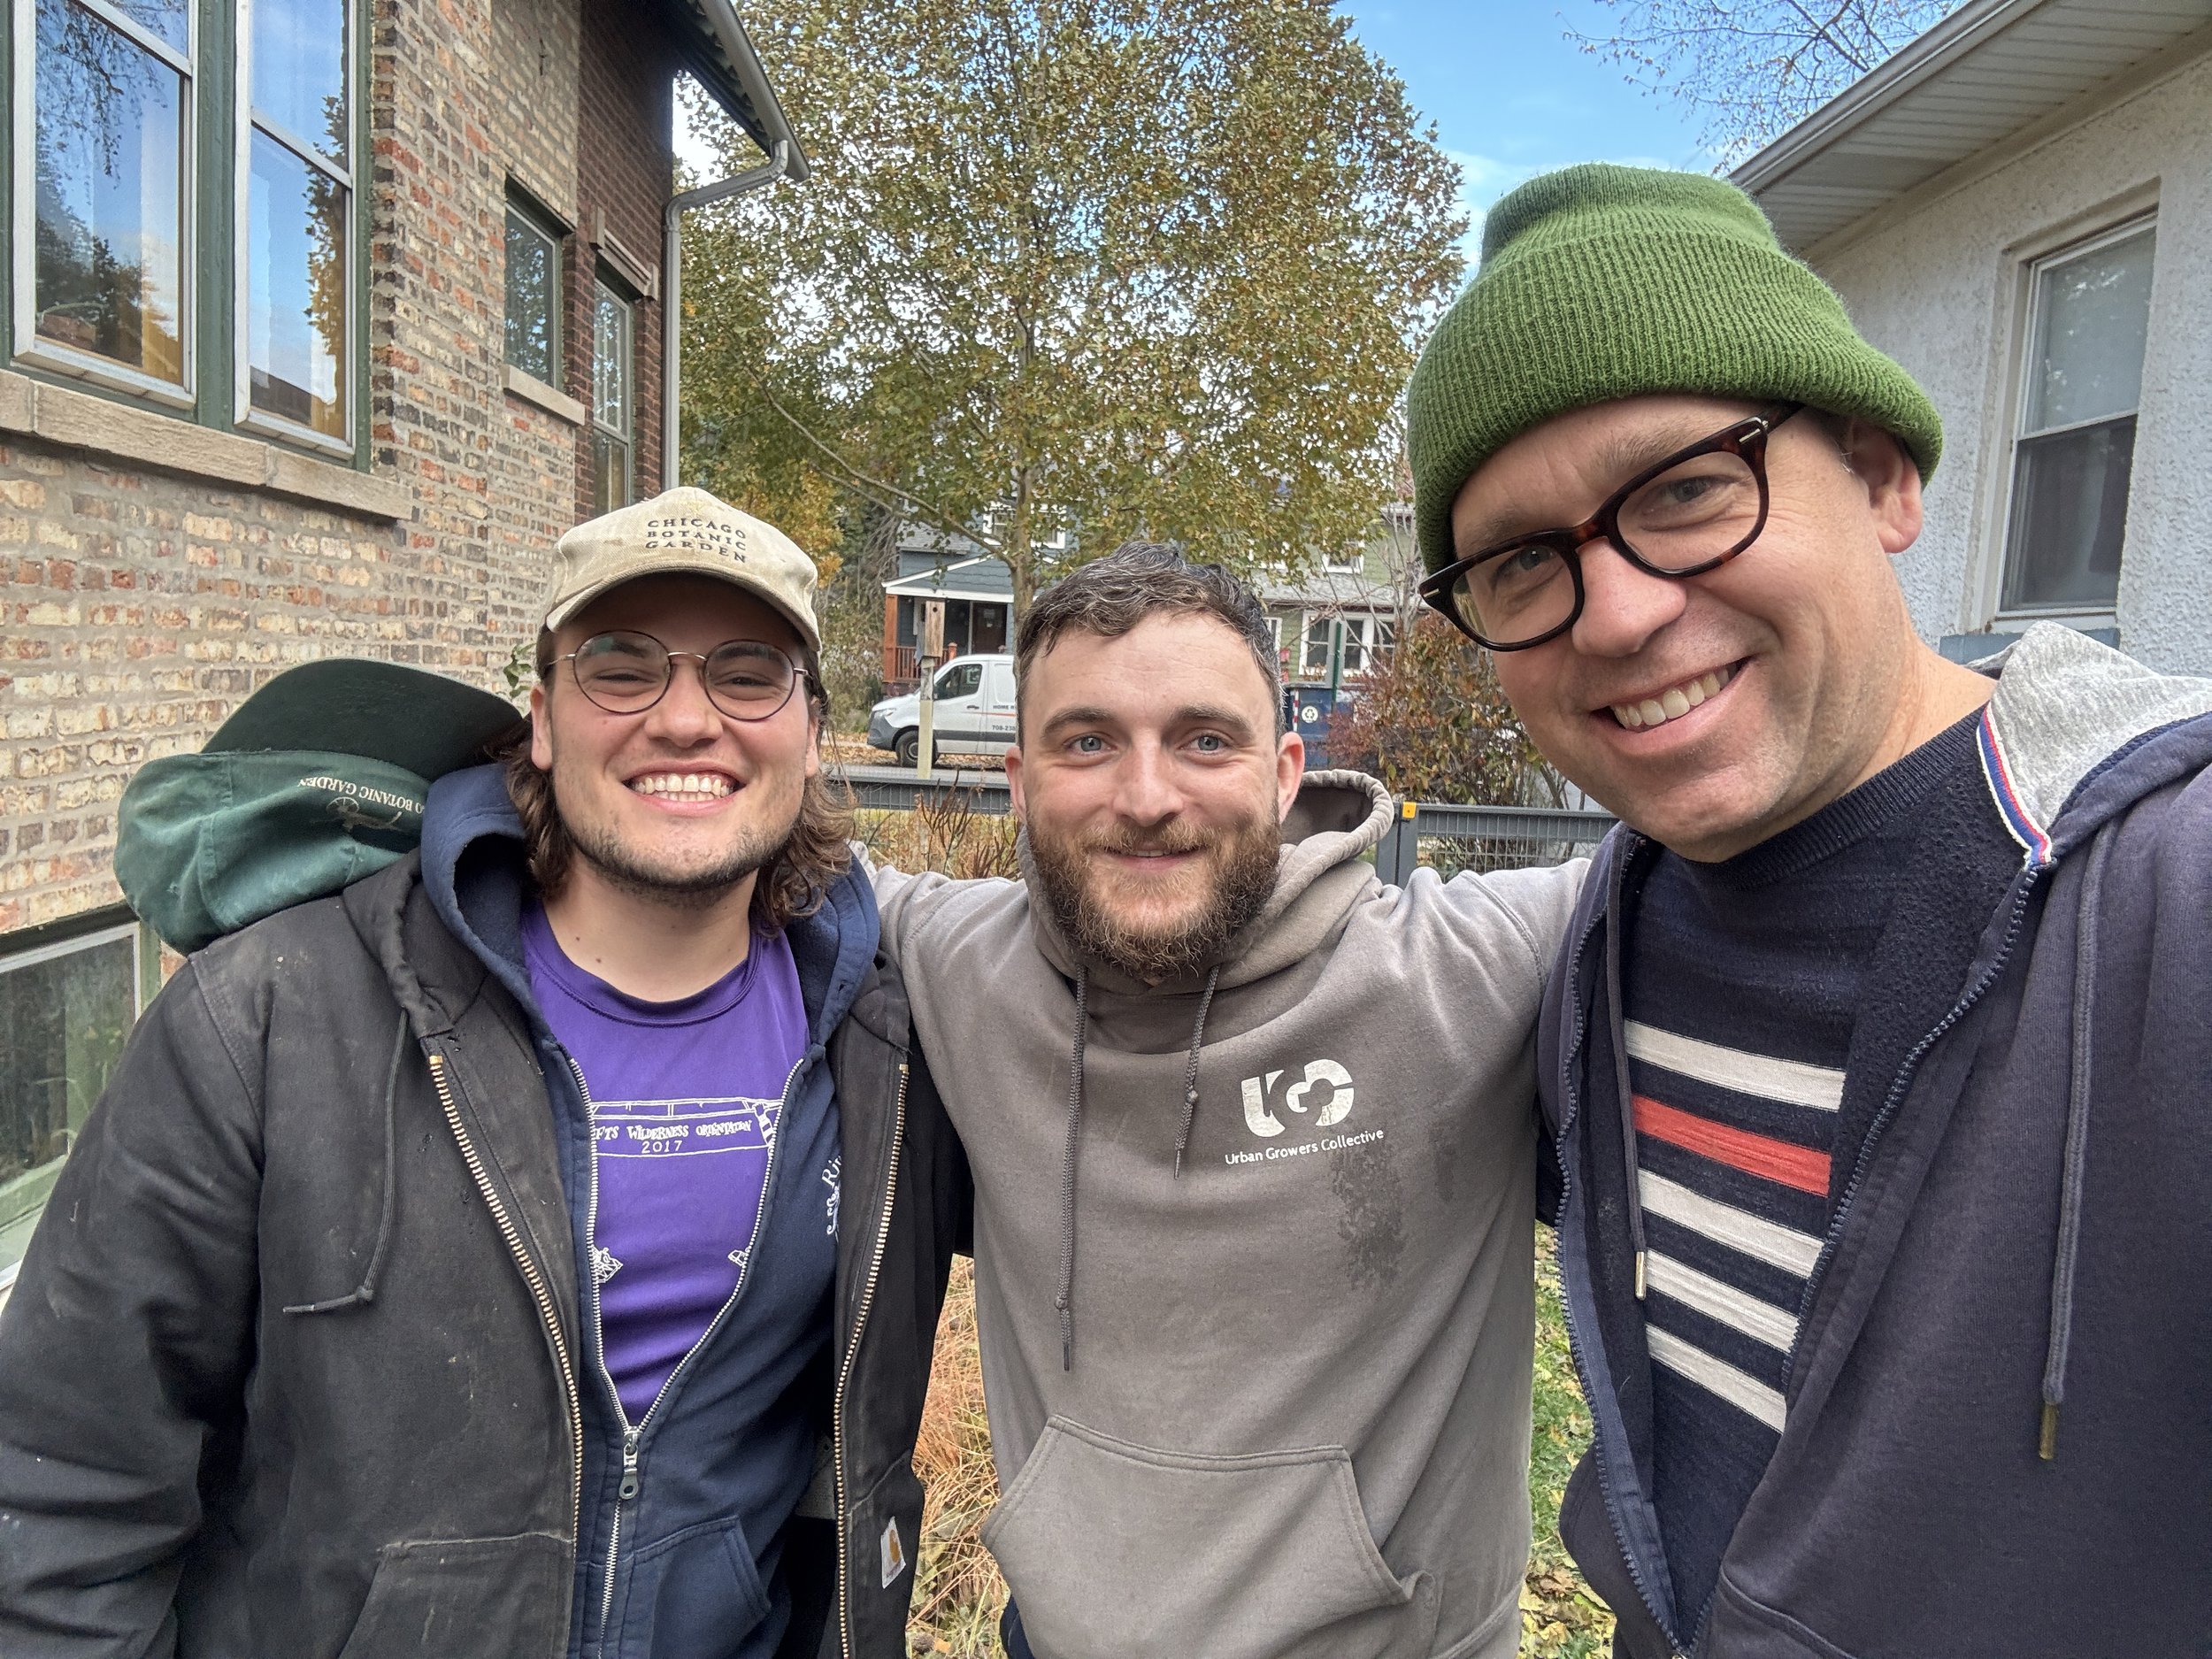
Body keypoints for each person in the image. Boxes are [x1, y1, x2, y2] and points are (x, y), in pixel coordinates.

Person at [1405, 163, 2212, 1655]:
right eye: (1523, 563)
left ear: (1889, 477)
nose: (1625, 611)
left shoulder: (2168, 892)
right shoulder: (1597, 946)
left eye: (1690, 491)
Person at [0, 488, 965, 1659]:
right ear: (543, 717)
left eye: (747, 671)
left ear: (813, 732)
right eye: (621, 664)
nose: (685, 717)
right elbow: (64, 1488)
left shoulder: (886, 1048)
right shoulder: (275, 1017)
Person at [872, 543, 1584, 1659]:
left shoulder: (1465, 971)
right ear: (1018, 778)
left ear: (1286, 772)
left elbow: (1748, 817)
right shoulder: (953, 961)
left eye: (1204, 740)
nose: (1147, 797)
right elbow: (737, 831)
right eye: (1088, 741)